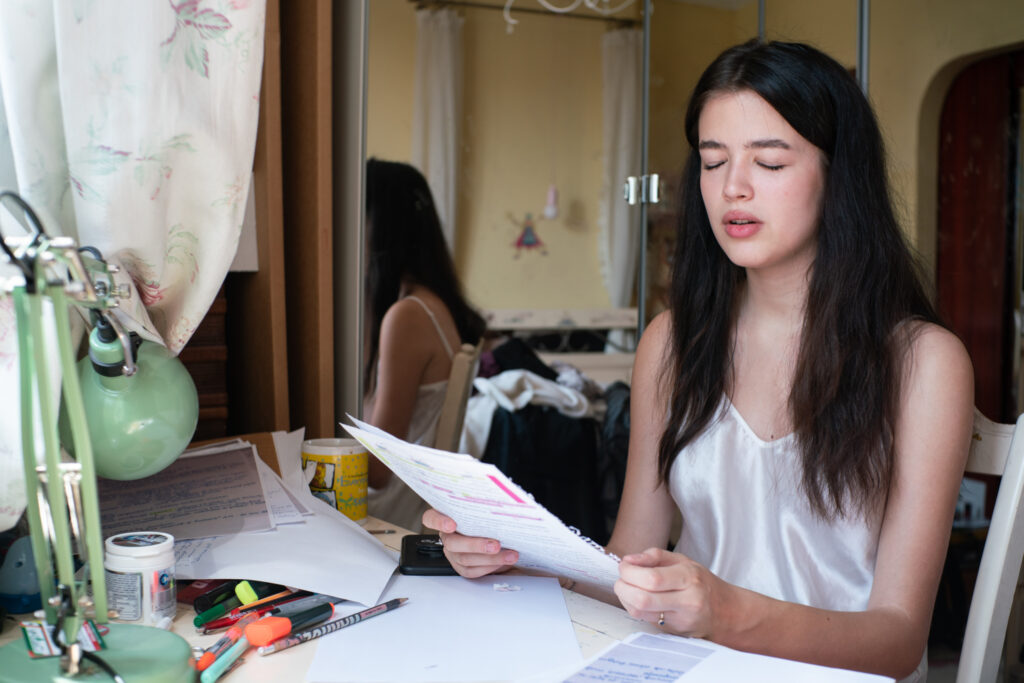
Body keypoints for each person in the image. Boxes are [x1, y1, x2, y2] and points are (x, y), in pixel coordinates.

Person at [422, 40, 974, 682]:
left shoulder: (923, 364)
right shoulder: (674, 344)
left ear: (839, 175)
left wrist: (727, 613)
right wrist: (516, 558)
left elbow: (899, 638)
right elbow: (629, 560)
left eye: (769, 162)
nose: (733, 188)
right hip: (684, 665)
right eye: (713, 162)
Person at [364, 158, 486, 530]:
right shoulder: (431, 303)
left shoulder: (408, 316)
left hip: (393, 513)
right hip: (410, 503)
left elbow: (377, 472)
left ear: (378, 228)